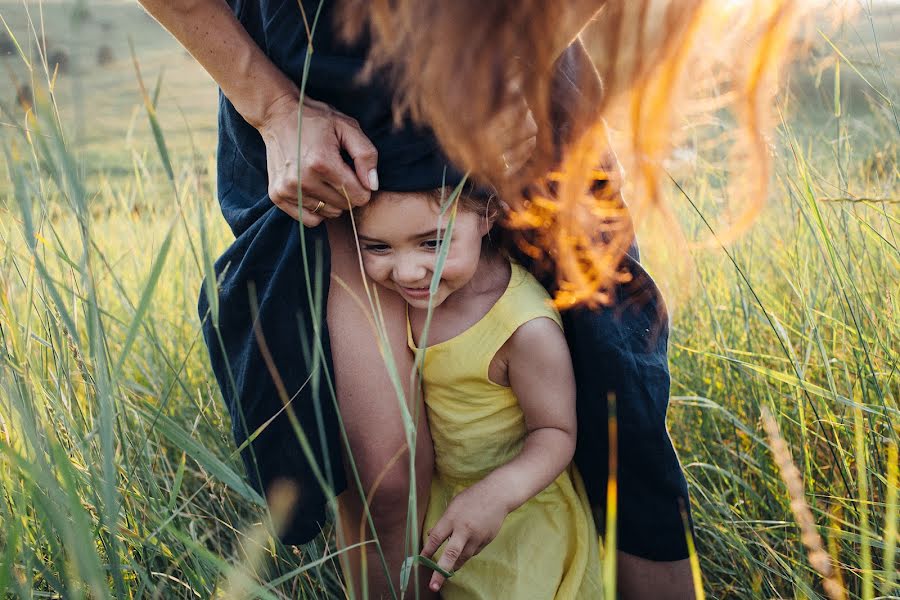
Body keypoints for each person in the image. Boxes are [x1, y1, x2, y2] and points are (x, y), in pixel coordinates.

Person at [136, 1, 698, 597]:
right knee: (383, 471)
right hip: (309, 110)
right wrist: (273, 106)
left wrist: (518, 64)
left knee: (619, 413)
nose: (408, 271)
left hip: (506, 79)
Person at [354, 187, 603, 598]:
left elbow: (556, 432)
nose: (408, 271)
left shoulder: (522, 326)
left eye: (433, 243)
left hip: (518, 514)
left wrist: (497, 495)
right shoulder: (394, 298)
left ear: (487, 214)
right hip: (444, 503)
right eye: (378, 247)